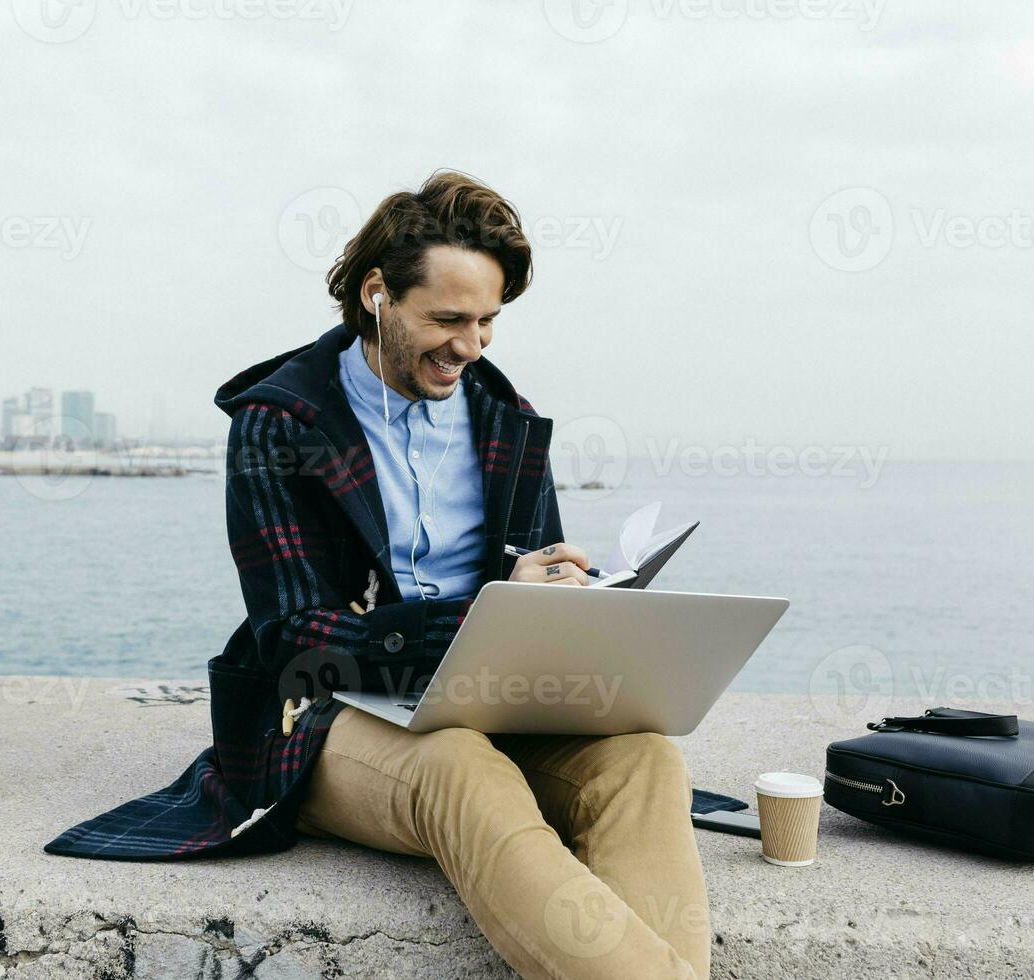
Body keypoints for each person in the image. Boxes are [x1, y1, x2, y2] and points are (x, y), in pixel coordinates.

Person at [46, 171, 710, 979]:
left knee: (646, 760)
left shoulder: (507, 419)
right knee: (459, 766)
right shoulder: (279, 424)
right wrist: (478, 619)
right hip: (324, 718)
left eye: (489, 321)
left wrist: (573, 598)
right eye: (447, 319)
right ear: (376, 295)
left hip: (493, 704)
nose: (470, 345)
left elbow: (526, 591)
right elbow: (295, 639)